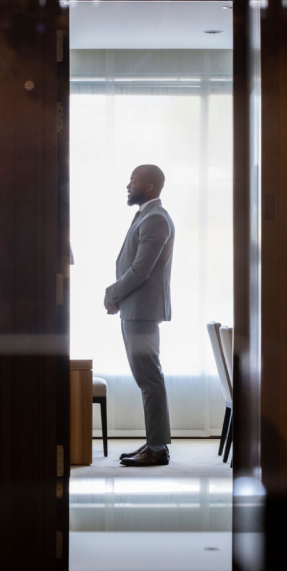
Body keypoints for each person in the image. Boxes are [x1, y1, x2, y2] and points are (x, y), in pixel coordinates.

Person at [104, 165, 175, 467]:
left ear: (147, 187)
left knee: (149, 377)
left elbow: (141, 270)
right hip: (136, 310)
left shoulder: (156, 219)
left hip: (142, 312)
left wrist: (112, 293)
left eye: (132, 182)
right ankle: (155, 443)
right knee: (148, 377)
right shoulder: (148, 215)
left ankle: (157, 448)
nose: (127, 186)